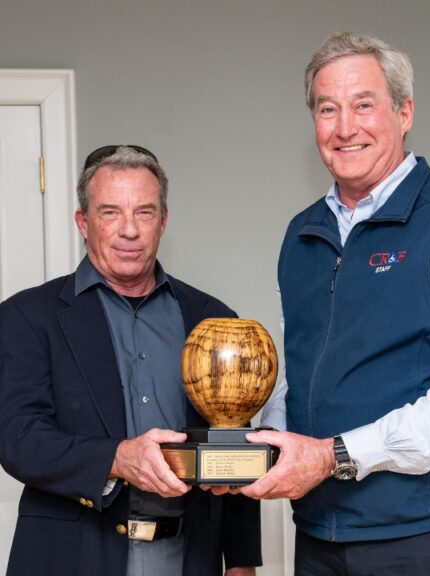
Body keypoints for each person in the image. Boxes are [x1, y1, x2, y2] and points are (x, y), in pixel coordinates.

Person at [240, 32, 430, 575]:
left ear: (404, 112)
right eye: (328, 109)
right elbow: (298, 375)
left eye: (363, 105)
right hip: (320, 538)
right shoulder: (301, 234)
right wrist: (264, 445)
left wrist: (333, 456)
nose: (345, 128)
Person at [0, 145, 261, 576]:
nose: (129, 230)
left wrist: (241, 561)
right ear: (83, 222)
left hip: (189, 555)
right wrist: (117, 458)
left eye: (144, 212)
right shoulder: (27, 317)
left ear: (163, 221)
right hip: (73, 557)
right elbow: (19, 439)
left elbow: (233, 440)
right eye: (110, 213)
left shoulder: (214, 320)